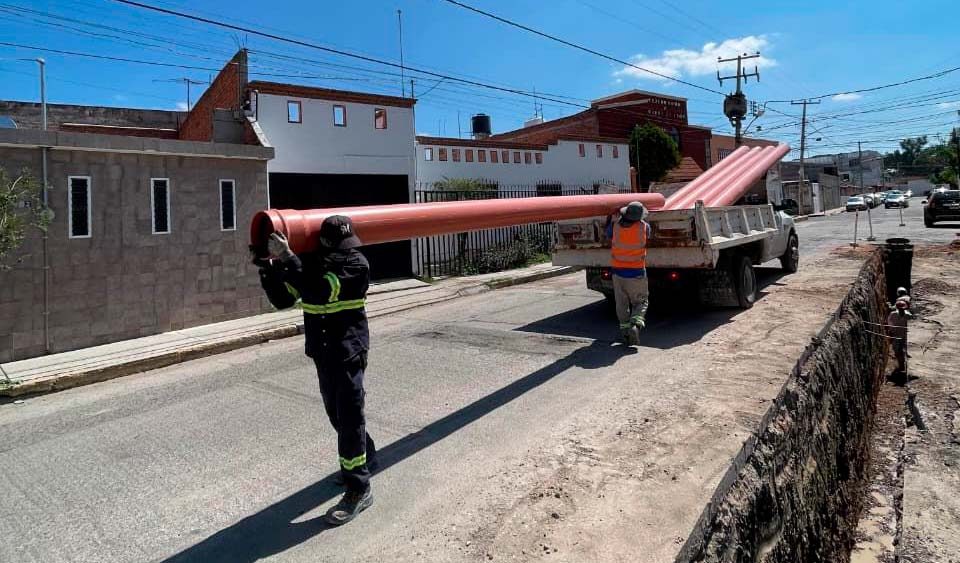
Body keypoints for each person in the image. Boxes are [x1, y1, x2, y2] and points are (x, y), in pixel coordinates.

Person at [254, 215, 377, 526]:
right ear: (324, 244)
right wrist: (268, 267)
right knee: (337, 414)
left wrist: (288, 258)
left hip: (348, 352)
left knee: (349, 417)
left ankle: (359, 488)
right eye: (341, 245)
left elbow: (320, 291)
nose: (348, 249)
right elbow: (283, 299)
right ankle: (367, 456)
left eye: (349, 244)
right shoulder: (312, 265)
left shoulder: (356, 265)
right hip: (324, 354)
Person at [607, 202, 651, 345]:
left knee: (621, 303)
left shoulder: (615, 226)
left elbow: (608, 234)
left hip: (617, 272)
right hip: (637, 272)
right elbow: (647, 234)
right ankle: (635, 325)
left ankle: (625, 331)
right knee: (641, 301)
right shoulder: (644, 227)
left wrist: (611, 218)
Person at [886, 299, 911, 374]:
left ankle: (903, 366)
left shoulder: (908, 315)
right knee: (897, 352)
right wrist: (890, 332)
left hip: (905, 336)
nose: (901, 310)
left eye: (902, 308)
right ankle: (901, 365)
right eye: (900, 309)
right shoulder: (893, 314)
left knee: (905, 351)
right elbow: (889, 324)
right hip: (896, 336)